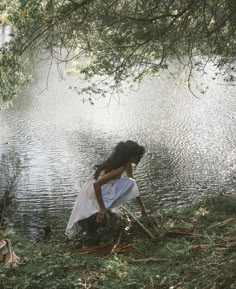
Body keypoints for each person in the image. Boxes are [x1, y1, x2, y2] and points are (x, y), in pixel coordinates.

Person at [65, 140, 147, 239]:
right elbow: (96, 185)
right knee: (130, 182)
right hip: (94, 190)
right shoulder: (119, 169)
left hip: (100, 187)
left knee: (131, 182)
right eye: (138, 155)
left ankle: (103, 208)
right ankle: (100, 211)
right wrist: (102, 208)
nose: (140, 158)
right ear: (131, 156)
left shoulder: (127, 165)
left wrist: (142, 207)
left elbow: (134, 187)